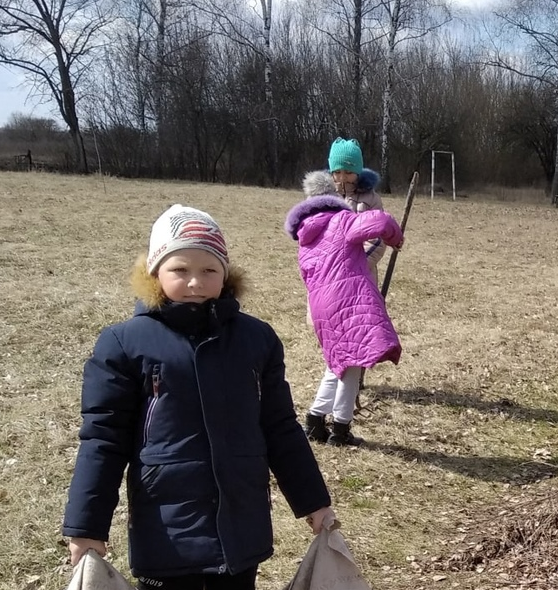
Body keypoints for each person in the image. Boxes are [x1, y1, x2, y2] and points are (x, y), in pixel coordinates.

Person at [62, 205, 336, 588]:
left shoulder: (256, 339)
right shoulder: (123, 344)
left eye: (209, 270)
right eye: (180, 270)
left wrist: (314, 502)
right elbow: (103, 440)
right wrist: (87, 525)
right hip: (167, 537)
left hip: (241, 530)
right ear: (155, 273)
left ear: (226, 274)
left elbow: (281, 428)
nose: (195, 282)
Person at [286, 191, 404, 446]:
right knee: (353, 364)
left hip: (321, 307)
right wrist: (396, 238)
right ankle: (340, 429)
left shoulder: (306, 240)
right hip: (348, 300)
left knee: (337, 362)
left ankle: (315, 421)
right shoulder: (340, 220)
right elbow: (381, 221)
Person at [316, 137, 387, 280]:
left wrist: (355, 266)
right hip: (326, 274)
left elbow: (376, 240)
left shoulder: (371, 199)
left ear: (357, 171)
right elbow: (310, 235)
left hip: (360, 275)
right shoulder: (320, 198)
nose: (342, 178)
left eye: (348, 172)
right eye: (337, 172)